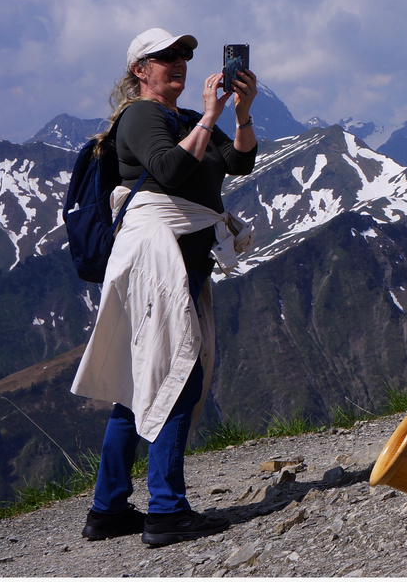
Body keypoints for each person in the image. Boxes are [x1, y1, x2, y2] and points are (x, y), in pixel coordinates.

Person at [71, 28, 257, 547]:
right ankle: (167, 510)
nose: (178, 62)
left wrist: (240, 112)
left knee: (139, 383)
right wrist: (211, 115)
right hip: (159, 255)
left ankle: (108, 510)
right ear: (140, 71)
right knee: (178, 375)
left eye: (183, 55)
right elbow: (171, 169)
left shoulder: (180, 119)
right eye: (165, 57)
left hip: (177, 257)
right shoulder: (142, 116)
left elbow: (239, 161)